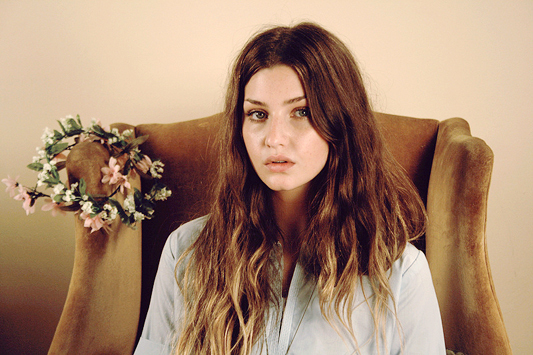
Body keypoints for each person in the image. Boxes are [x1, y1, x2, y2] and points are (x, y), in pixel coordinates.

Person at [134, 22, 446, 354]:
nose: (274, 138)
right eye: (257, 114)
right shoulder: (188, 251)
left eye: (301, 112)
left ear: (339, 122)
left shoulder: (398, 272)